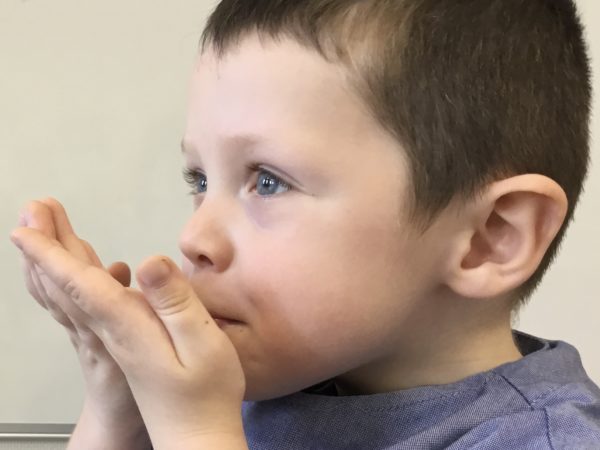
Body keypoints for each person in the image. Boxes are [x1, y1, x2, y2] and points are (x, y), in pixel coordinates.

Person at [9, 0, 600, 448]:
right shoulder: (252, 385)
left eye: (268, 181)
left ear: (490, 237)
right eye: (200, 180)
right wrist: (115, 404)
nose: (194, 239)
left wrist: (197, 430)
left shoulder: (543, 438)